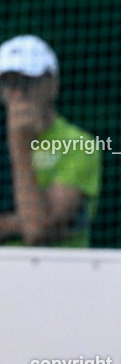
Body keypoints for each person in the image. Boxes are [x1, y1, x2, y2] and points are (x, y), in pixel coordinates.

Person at [0, 35, 101, 247]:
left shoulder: (78, 145)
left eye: (27, 81)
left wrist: (19, 145)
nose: (18, 93)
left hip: (58, 275)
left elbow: (37, 231)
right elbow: (35, 221)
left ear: (53, 85)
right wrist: (17, 222)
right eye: (9, 83)